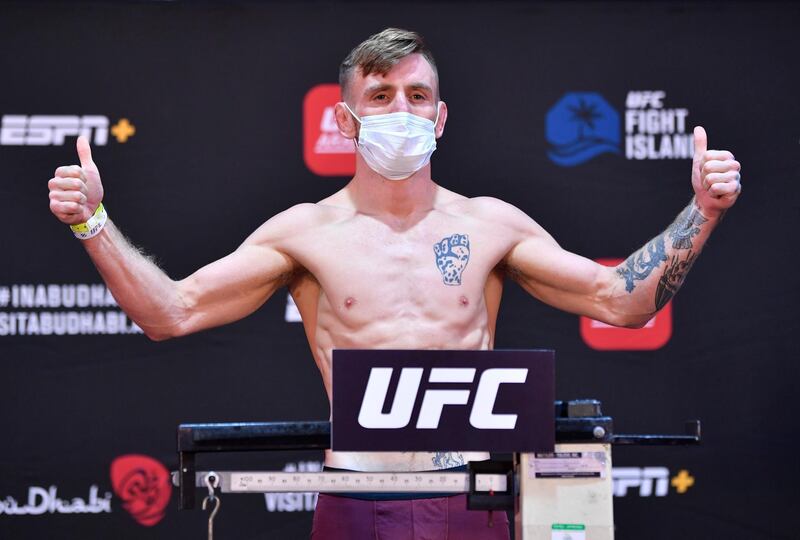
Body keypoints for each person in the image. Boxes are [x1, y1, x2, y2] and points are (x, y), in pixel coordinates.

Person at [47, 28, 741, 540]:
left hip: (476, 496)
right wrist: (92, 222)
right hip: (355, 496)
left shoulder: (493, 226)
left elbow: (620, 301)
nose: (401, 109)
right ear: (345, 120)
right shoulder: (305, 233)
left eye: (417, 95)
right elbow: (171, 311)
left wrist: (702, 212)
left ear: (440, 117)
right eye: (380, 96)